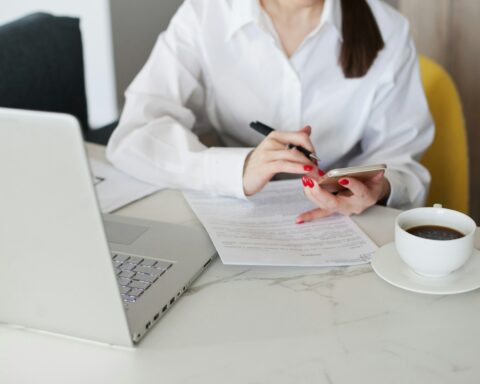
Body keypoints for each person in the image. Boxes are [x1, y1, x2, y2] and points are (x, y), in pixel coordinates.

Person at [106, 0, 434, 223]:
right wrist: (238, 169)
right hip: (232, 215)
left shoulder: (389, 30)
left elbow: (403, 161)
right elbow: (136, 135)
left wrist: (380, 188)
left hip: (343, 224)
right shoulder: (205, 14)